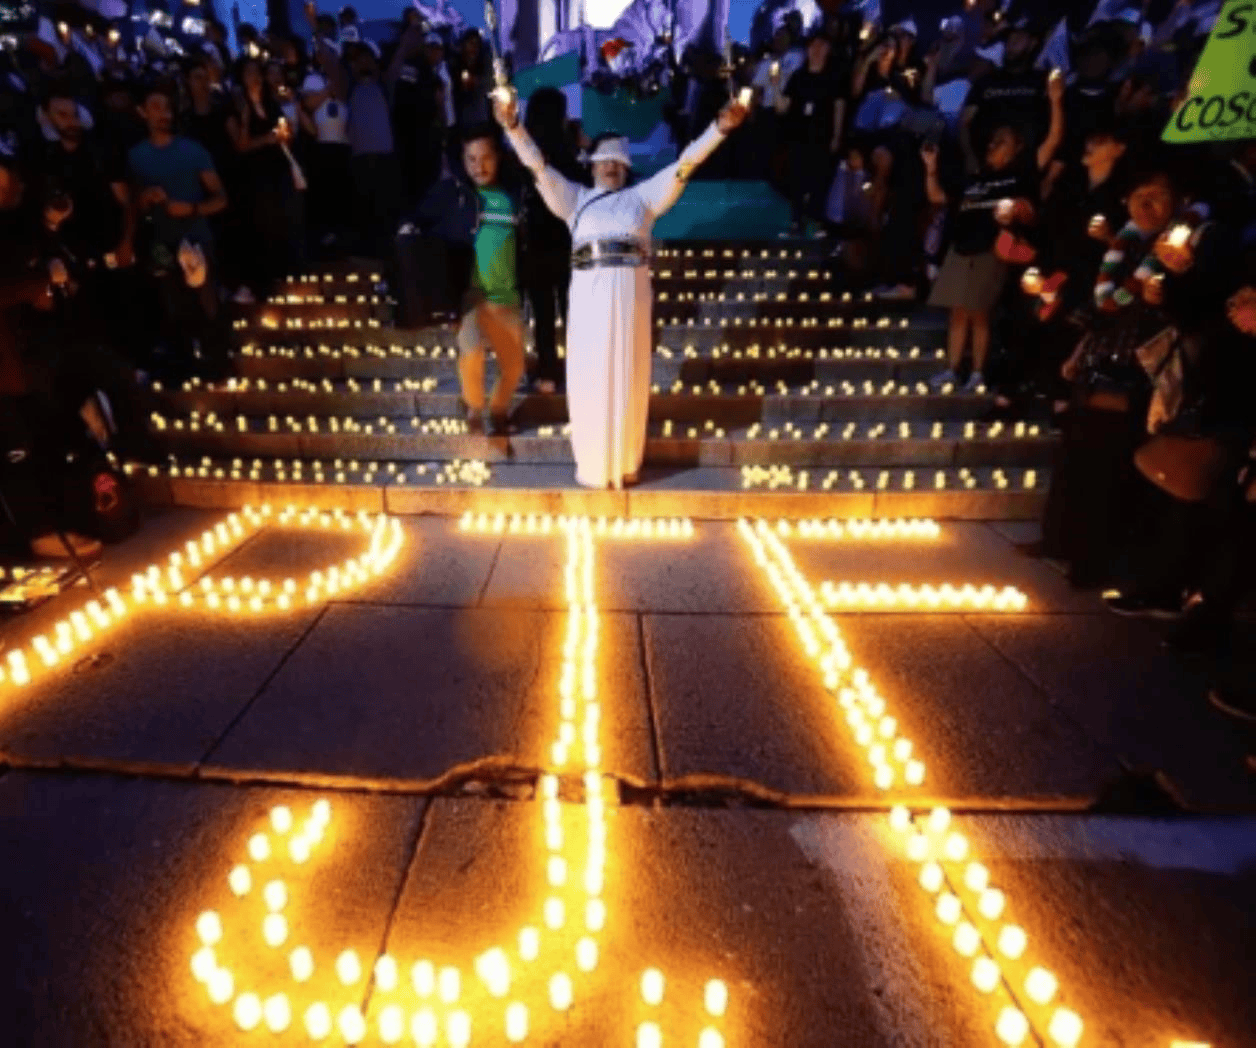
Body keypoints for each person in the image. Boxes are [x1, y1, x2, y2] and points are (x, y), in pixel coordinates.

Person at [495, 90, 749, 489]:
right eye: (604, 159)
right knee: (591, 380)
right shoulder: (574, 201)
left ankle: (627, 462)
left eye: (619, 160)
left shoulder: (643, 198)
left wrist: (719, 129)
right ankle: (594, 467)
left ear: (627, 166)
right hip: (589, 308)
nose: (611, 165)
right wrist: (512, 125)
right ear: (592, 165)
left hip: (631, 305)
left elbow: (686, 164)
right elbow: (538, 166)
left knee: (629, 377)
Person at [924, 69, 1064, 393]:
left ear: (1017, 148)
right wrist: (930, 170)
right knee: (957, 313)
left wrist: (1055, 101)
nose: (992, 145)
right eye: (992, 140)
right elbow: (938, 198)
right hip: (961, 249)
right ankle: (952, 369)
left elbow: (1053, 140)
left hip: (991, 250)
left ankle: (976, 373)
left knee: (979, 314)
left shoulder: (1021, 174)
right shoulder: (976, 179)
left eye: (1001, 141)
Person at [414, 123, 525, 435]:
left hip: (507, 297)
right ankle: (475, 408)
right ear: (462, 161)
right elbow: (421, 224)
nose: (479, 166)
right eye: (472, 159)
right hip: (471, 296)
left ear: (498, 157)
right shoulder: (457, 196)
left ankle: (498, 410)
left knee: (514, 366)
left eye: (486, 157)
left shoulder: (512, 196)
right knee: (471, 350)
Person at [128, 80, 229, 381]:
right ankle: (185, 369)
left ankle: (218, 366)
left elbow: (222, 198)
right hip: (161, 242)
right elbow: (131, 205)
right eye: (156, 107)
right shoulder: (136, 156)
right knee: (173, 306)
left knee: (206, 302)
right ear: (142, 112)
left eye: (168, 107)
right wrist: (144, 199)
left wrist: (193, 209)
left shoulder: (193, 150)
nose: (164, 114)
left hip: (197, 236)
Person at [520, 86, 586, 394]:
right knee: (571, 310)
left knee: (543, 313)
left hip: (536, 240)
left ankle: (548, 371)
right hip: (563, 238)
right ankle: (577, 370)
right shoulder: (566, 151)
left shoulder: (529, 152)